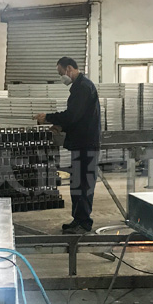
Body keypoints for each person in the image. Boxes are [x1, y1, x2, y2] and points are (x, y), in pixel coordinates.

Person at [34, 57, 101, 235]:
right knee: (77, 184)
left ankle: (84, 223)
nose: (61, 77)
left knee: (84, 185)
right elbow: (77, 118)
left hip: (86, 144)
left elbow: (72, 115)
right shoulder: (79, 87)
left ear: (69, 68)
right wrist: (60, 126)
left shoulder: (84, 87)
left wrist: (48, 117)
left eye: (60, 73)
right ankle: (77, 220)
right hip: (80, 143)